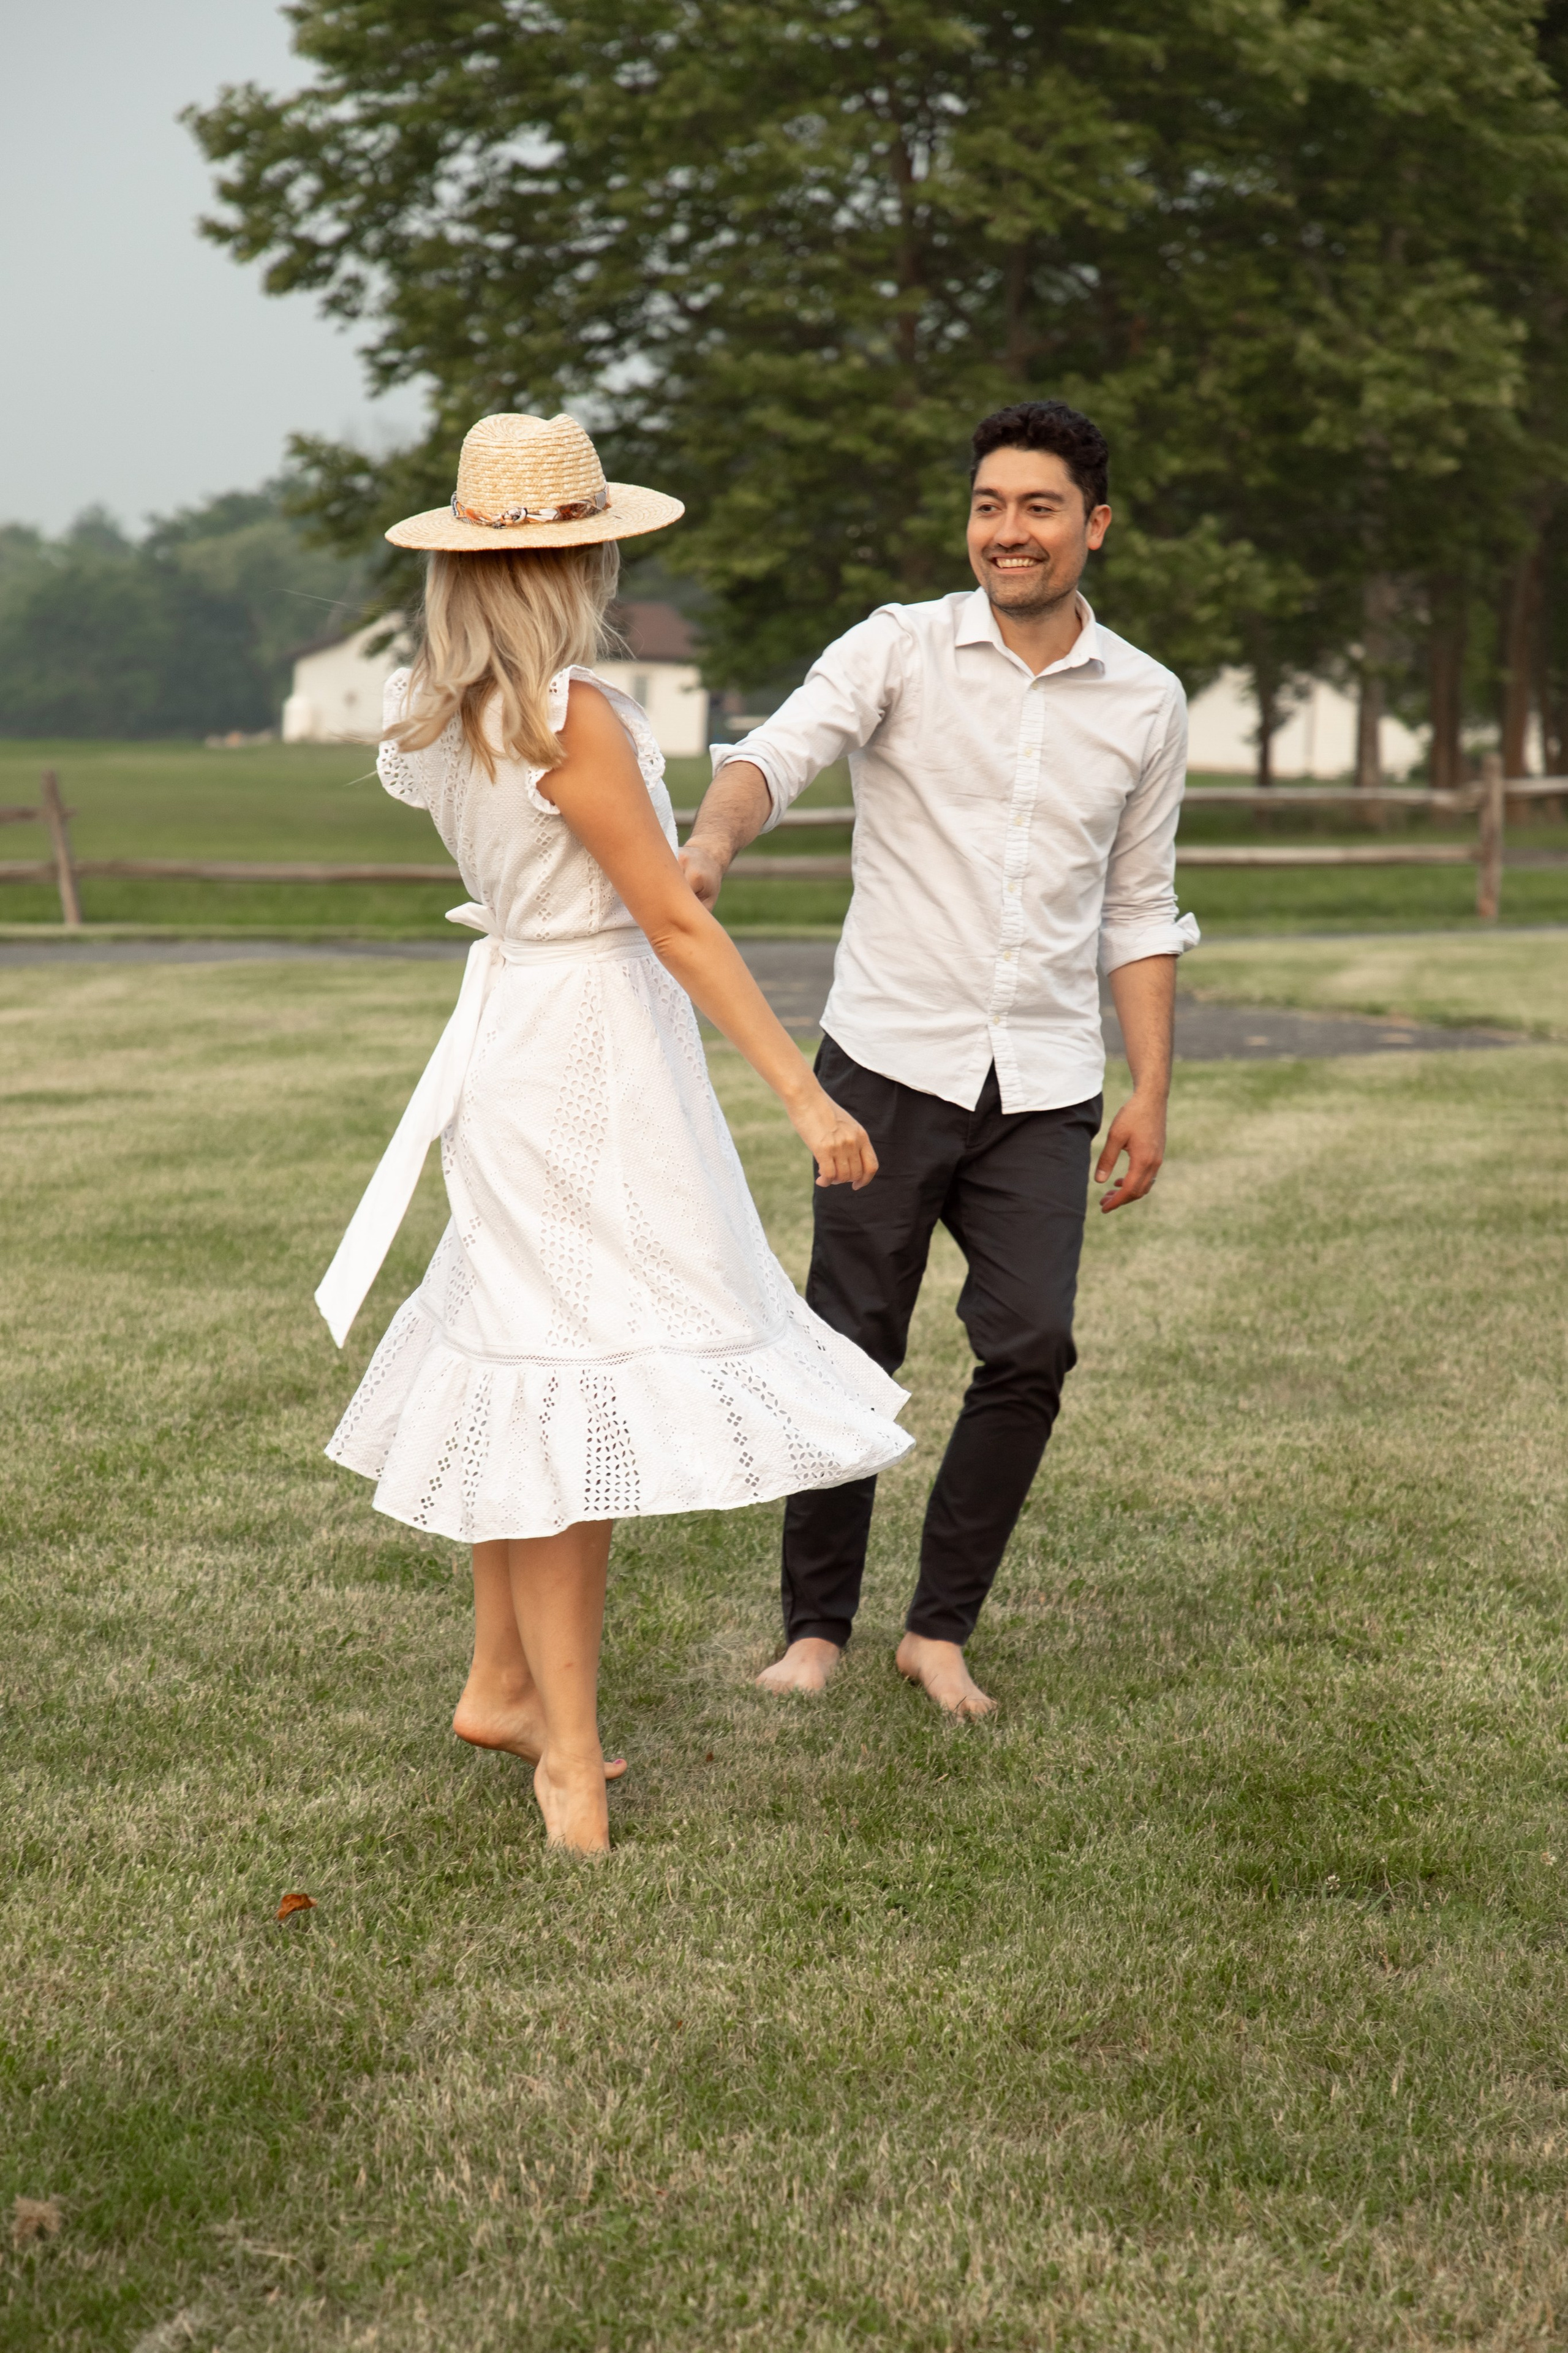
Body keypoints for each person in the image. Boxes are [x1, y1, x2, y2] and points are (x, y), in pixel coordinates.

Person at [315, 410, 911, 1854]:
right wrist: (803, 1086)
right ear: (576, 562)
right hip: (583, 1054)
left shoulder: (454, 712)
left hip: (521, 1037)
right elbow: (668, 917)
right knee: (568, 1378)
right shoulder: (567, 715)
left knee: (523, 1345)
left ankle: (503, 1683)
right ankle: (567, 1762)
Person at [679, 399, 1199, 1720]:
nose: (1004, 531)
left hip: (1042, 1082)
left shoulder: (1144, 699)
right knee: (848, 1343)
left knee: (1030, 1345)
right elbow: (774, 752)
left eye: (1034, 508)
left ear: (1093, 525)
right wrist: (712, 843)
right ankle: (815, 1628)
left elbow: (1139, 905)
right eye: (985, 505)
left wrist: (1148, 1086)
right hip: (886, 1061)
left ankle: (937, 1630)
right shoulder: (896, 647)